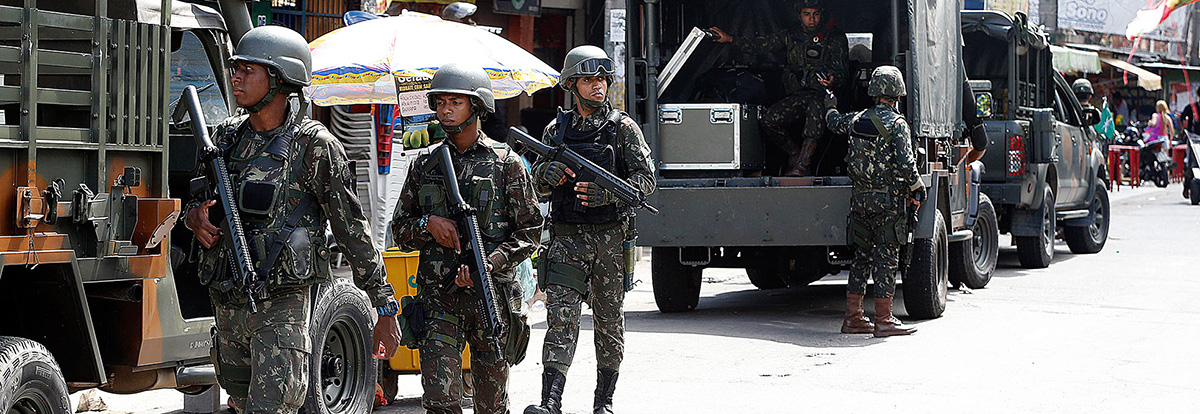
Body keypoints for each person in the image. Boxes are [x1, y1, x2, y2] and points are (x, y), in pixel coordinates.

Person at [184, 26, 401, 414]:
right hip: (230, 300)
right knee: (238, 402)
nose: (236, 76)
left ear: (281, 79)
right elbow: (198, 204)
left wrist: (384, 307)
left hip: (281, 305)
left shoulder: (314, 146)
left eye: (249, 69)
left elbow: (353, 232)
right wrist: (194, 218)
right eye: (236, 68)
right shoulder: (226, 139)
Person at [390, 62, 543, 414]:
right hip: (438, 299)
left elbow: (530, 232)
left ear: (477, 107)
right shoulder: (424, 165)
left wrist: (488, 265)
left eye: (455, 102)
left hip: (491, 297)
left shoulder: (506, 164)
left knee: (491, 404)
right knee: (441, 401)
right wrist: (429, 224)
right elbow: (400, 230)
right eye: (440, 102)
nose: (445, 109)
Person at [525, 45, 656, 414]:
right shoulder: (557, 130)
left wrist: (608, 194)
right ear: (572, 84)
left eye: (601, 79)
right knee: (560, 320)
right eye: (588, 80)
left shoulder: (623, 129)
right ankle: (550, 402)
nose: (597, 86)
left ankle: (604, 402)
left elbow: (647, 181)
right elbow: (535, 187)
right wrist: (544, 176)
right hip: (567, 239)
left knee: (609, 322)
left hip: (610, 242)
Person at [824, 65, 921, 337]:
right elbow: (906, 163)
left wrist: (830, 102)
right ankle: (883, 320)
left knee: (861, 258)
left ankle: (853, 317)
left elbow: (833, 122)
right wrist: (917, 186)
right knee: (887, 258)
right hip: (887, 202)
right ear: (897, 93)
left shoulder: (856, 120)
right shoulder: (897, 125)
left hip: (861, 200)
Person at [708, 0, 848, 176]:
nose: (811, 19)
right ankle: (795, 155)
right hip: (797, 96)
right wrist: (729, 39)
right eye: (807, 14)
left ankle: (803, 165)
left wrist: (833, 79)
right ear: (799, 16)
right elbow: (759, 45)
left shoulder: (834, 38)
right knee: (768, 119)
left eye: (815, 14)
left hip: (824, 97)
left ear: (821, 15)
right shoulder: (791, 35)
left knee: (815, 109)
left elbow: (842, 72)